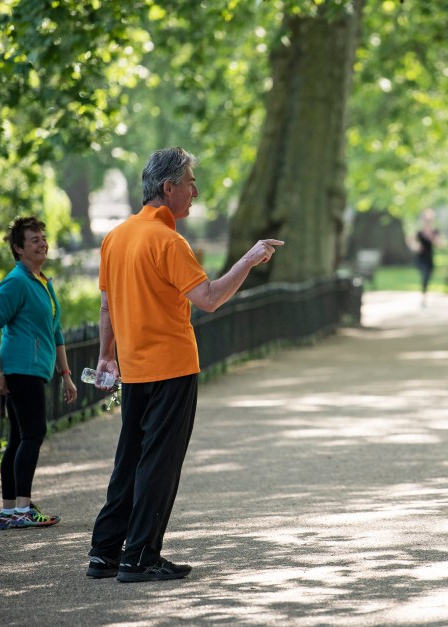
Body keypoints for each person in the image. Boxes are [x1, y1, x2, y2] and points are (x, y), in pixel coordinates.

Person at [86, 147, 284, 583]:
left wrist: (105, 356)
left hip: (135, 369)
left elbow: (106, 307)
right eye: (190, 182)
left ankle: (105, 552)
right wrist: (248, 260)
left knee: (129, 460)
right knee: (160, 464)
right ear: (168, 187)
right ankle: (140, 557)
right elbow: (210, 299)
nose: (195, 191)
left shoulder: (115, 237)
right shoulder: (168, 240)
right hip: (172, 368)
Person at [0, 216, 78, 530]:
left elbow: (56, 332)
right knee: (34, 434)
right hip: (19, 369)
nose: (42, 243)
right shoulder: (16, 281)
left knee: (17, 439)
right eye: (34, 239)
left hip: (35, 370)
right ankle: (22, 508)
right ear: (19, 248)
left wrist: (65, 374)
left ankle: (10, 511)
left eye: (43, 237)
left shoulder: (41, 282)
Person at [411, 208, 441, 307]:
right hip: (421, 257)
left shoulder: (434, 231)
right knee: (424, 275)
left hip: (430, 257)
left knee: (428, 276)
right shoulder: (419, 232)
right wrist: (416, 247)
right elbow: (412, 241)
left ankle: (424, 294)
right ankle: (423, 297)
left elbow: (439, 244)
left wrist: (433, 239)